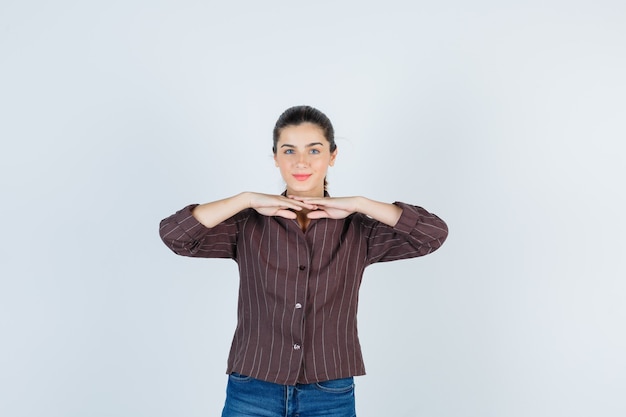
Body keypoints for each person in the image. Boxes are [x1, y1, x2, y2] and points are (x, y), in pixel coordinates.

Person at [159, 105, 448, 417]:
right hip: (252, 385)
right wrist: (245, 199)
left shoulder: (359, 228)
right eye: (289, 150)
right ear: (275, 158)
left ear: (332, 155)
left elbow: (432, 235)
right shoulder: (246, 223)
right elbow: (176, 236)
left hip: (329, 391)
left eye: (314, 150)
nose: (301, 162)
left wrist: (359, 203)